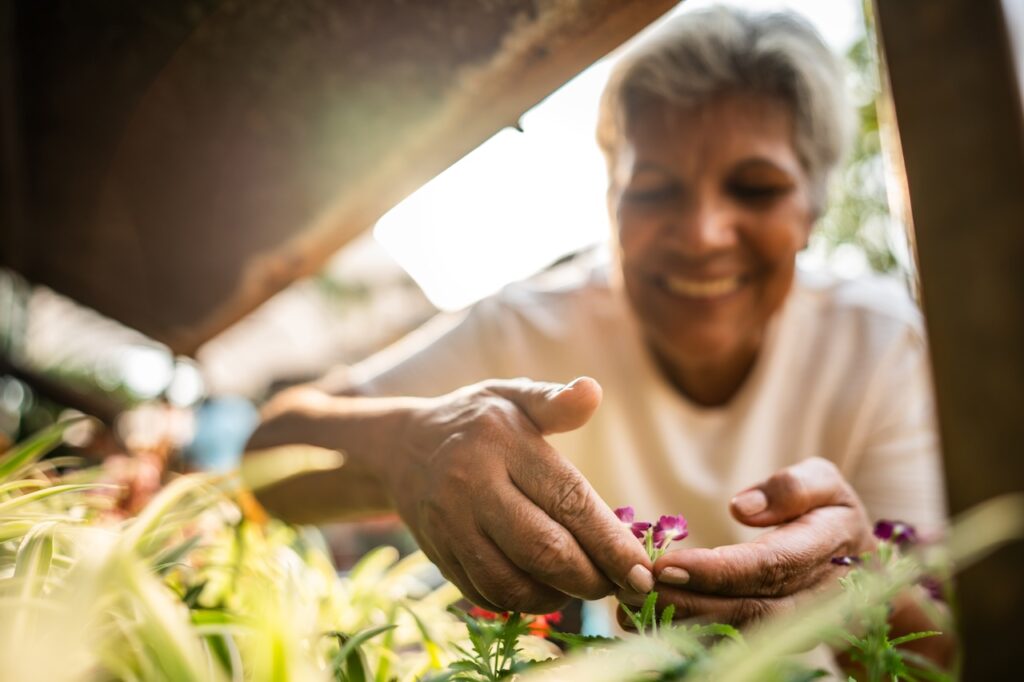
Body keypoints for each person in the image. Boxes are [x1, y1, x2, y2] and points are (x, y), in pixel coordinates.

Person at [247, 5, 950, 667]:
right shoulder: (530, 325)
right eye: (655, 189)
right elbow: (266, 458)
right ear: (609, 203)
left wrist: (867, 596)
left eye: (755, 188)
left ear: (812, 212)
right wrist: (404, 445)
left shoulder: (881, 344)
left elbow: (955, 653)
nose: (703, 234)